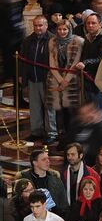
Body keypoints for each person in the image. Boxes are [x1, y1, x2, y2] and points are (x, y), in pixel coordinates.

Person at [22, 15, 57, 144]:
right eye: (35, 26)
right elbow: (23, 59)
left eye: (40, 25)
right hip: (33, 78)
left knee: (49, 107)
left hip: (47, 79)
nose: (38, 28)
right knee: (34, 106)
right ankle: (36, 131)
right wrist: (23, 76)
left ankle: (51, 133)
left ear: (46, 25)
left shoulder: (53, 39)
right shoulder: (28, 40)